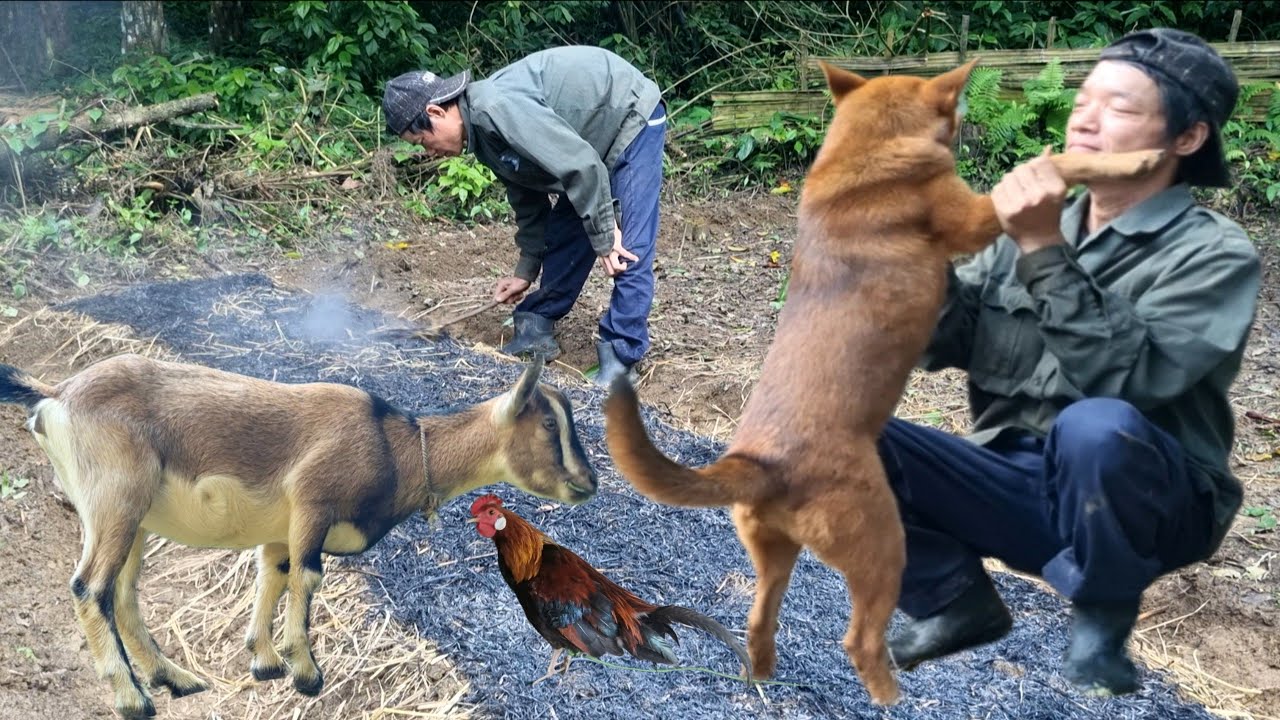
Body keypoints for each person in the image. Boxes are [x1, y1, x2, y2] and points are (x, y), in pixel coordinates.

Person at [879, 28, 1262, 696]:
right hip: (1022, 485)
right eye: (1083, 100)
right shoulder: (1029, 223)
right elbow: (944, 342)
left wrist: (1039, 246)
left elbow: (1125, 382)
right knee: (826, 432)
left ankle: (1104, 624)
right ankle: (950, 597)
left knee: (1095, 425)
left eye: (1118, 107)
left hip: (1146, 508)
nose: (1083, 118)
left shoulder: (1214, 253)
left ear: (1187, 138)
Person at [382, 46, 666, 385]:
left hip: (629, 115)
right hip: (588, 145)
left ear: (436, 112)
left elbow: (581, 165)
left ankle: (621, 356)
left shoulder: (496, 109)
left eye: (422, 140)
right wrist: (526, 270)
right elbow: (528, 198)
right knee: (570, 224)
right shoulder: (481, 134)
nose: (428, 152)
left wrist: (606, 237)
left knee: (628, 248)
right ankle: (537, 320)